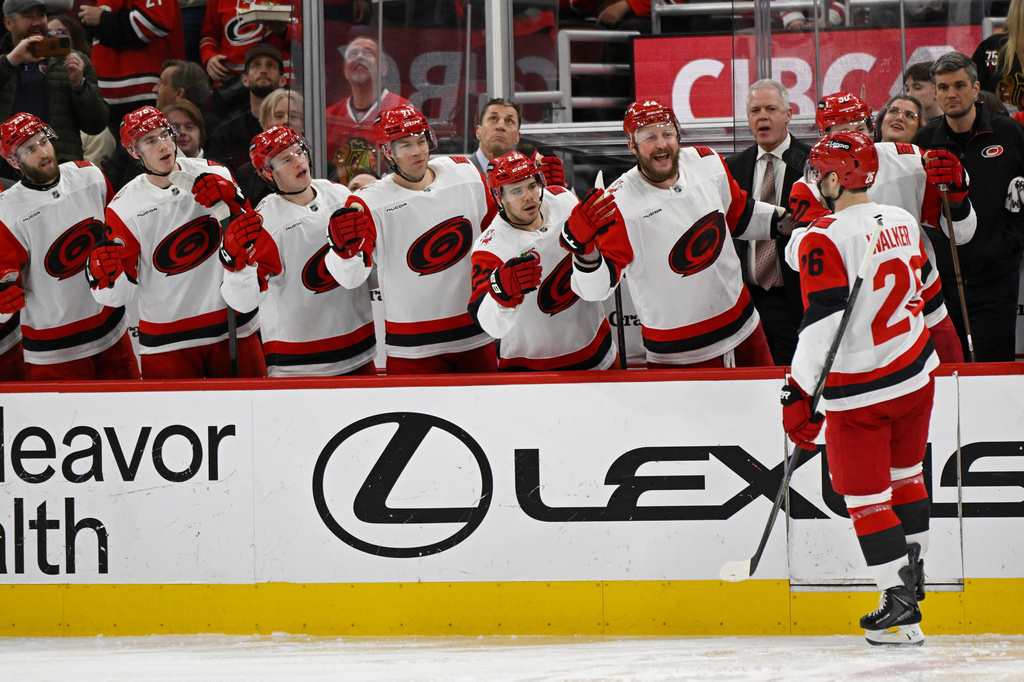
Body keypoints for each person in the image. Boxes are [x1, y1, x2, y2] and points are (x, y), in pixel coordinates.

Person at [783, 130, 937, 647]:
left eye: (817, 173)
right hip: (915, 375)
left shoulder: (824, 236)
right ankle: (912, 592)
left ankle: (898, 603)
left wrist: (797, 393)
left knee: (867, 499)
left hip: (863, 392)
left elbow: (821, 322)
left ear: (831, 177)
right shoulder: (902, 219)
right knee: (907, 478)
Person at [564, 99, 787, 369]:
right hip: (678, 356)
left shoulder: (707, 163)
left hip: (745, 331)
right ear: (631, 145)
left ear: (678, 135)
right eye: (650, 137)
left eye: (667, 134)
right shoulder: (617, 204)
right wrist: (585, 251)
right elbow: (596, 290)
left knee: (764, 411)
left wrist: (792, 221)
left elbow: (740, 215)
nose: (661, 144)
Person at [788, 91, 975, 364]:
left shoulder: (909, 161)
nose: (856, 140)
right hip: (858, 325)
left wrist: (957, 196)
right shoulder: (811, 185)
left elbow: (962, 233)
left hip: (924, 309)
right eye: (843, 133)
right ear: (824, 137)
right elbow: (796, 257)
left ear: (872, 127)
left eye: (860, 129)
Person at [88, 105, 266, 379]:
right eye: (150, 141)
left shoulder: (215, 173)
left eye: (164, 135)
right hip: (166, 342)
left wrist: (237, 203)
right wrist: (103, 278)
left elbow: (253, 238)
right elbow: (120, 294)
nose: (163, 145)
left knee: (252, 418)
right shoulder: (124, 207)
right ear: (135, 153)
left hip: (231, 327)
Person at [325, 104, 497, 374]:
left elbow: (497, 238)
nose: (418, 151)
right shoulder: (367, 202)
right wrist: (342, 252)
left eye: (421, 140)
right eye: (405, 144)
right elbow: (351, 278)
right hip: (412, 349)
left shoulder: (466, 174)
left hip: (475, 336)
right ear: (386, 152)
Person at [219, 125, 377, 377]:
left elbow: (359, 276)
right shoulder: (263, 224)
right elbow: (244, 302)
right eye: (285, 159)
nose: (298, 161)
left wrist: (348, 254)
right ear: (267, 173)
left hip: (359, 352)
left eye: (299, 152)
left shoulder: (341, 196)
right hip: (295, 365)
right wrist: (236, 267)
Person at [0, 113, 139, 380]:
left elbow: (116, 240)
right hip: (52, 351)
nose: (43, 152)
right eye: (30, 149)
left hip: (112, 332)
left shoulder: (90, 175)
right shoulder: (7, 210)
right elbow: (7, 284)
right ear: (14, 161)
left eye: (44, 141)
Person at [912, 52, 1024, 362]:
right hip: (942, 281)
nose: (951, 94)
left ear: (975, 89)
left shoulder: (1009, 133)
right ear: (935, 92)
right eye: (944, 87)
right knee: (946, 370)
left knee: (994, 369)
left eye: (959, 85)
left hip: (996, 277)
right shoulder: (924, 141)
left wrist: (1011, 244)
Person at [468, 151, 616, 371]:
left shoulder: (563, 200)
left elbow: (599, 289)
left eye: (531, 185)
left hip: (599, 357)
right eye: (516, 191)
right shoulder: (490, 248)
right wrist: (500, 294)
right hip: (530, 374)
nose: (528, 196)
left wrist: (589, 250)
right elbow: (492, 327)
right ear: (499, 197)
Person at [725, 79, 811, 366]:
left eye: (771, 108)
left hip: (796, 298)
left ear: (788, 113)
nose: (762, 116)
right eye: (755, 110)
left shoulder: (812, 162)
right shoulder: (732, 167)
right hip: (746, 302)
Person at [0, 0, 109, 178]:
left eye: (41, 15)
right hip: (5, 172)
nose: (36, 22)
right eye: (28, 16)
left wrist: (79, 85)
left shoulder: (73, 60)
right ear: (8, 22)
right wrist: (10, 62)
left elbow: (96, 124)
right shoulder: (4, 60)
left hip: (60, 169)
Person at [77, 0, 185, 132]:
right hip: (106, 92)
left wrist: (103, 19)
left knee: (152, 147)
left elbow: (155, 21)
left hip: (144, 88)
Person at [325, 35, 407, 186]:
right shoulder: (329, 116)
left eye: (368, 53)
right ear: (345, 71)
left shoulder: (403, 111)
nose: (359, 57)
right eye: (353, 54)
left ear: (383, 68)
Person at [206, 43, 286, 174]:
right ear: (245, 80)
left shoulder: (293, 126)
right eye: (256, 66)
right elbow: (214, 175)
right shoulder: (226, 131)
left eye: (270, 66)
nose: (263, 70)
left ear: (283, 80)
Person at [470, 96, 565, 189]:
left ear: (517, 137)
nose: (501, 126)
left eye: (509, 121)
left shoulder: (531, 181)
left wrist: (552, 195)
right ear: (478, 131)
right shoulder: (459, 174)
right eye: (493, 119)